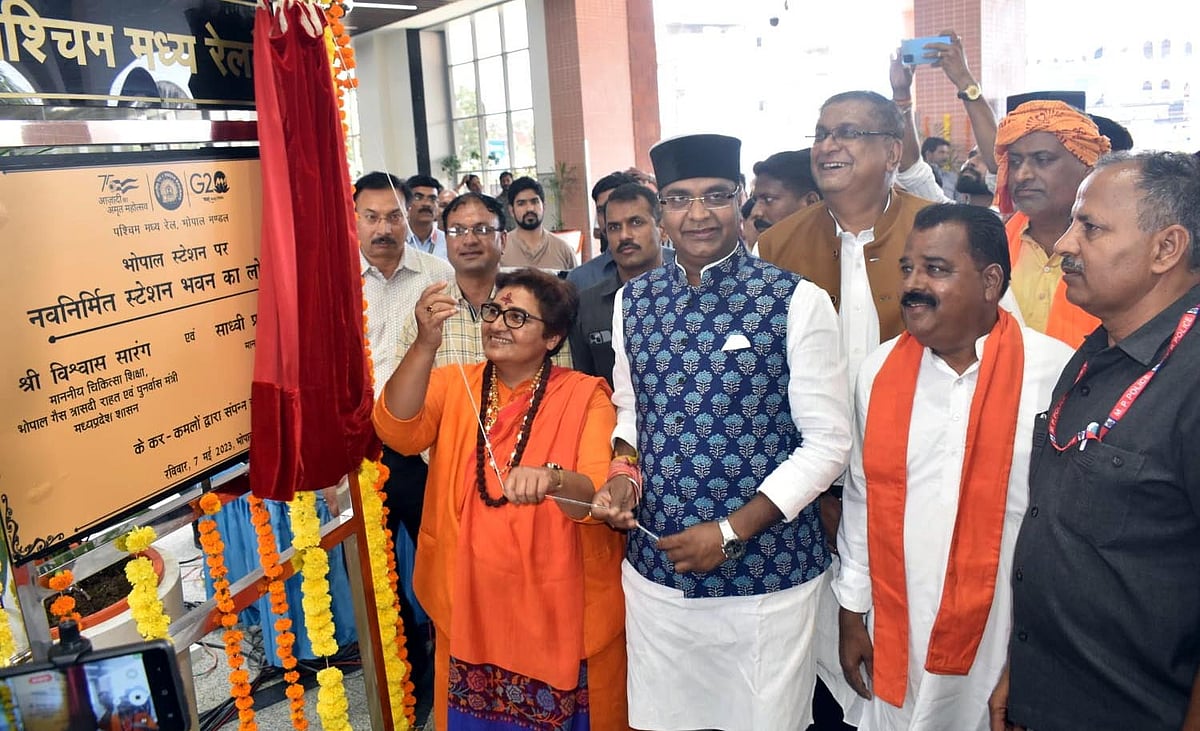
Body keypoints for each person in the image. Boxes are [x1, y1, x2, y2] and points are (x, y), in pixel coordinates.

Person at [593, 133, 852, 730]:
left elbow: (829, 444)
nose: (698, 214)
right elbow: (632, 411)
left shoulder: (795, 300)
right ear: (661, 212)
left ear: (741, 201)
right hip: (659, 571)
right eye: (680, 199)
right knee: (667, 721)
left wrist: (733, 531)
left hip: (768, 576)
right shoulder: (634, 301)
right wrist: (623, 477)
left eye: (715, 196)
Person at [834, 204, 1072, 731]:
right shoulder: (879, 372)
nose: (913, 285)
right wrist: (852, 610)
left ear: (991, 282)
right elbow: (861, 496)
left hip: (1007, 625)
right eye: (907, 268)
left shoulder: (1054, 372)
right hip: (900, 620)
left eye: (936, 269)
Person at [993, 151, 1200, 731]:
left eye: (1091, 228)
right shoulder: (1096, 351)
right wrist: (1021, 671)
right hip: (1048, 693)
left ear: (1166, 248)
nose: (1063, 246)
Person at [375, 268, 628, 731]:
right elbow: (395, 427)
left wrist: (552, 479)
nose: (497, 324)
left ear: (552, 338)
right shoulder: (455, 384)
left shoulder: (585, 395)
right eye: (494, 311)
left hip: (557, 607)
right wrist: (425, 343)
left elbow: (594, 501)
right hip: (469, 597)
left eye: (517, 317)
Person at [354, 170, 451, 690]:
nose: (384, 228)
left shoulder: (437, 274)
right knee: (376, 575)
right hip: (363, 454)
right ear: (354, 221)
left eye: (393, 215)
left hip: (426, 450)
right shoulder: (336, 284)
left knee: (438, 565)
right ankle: (400, 680)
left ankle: (447, 671)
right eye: (370, 217)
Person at [395, 192, 572, 369]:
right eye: (457, 231)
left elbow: (561, 383)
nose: (470, 240)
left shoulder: (538, 304)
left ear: (503, 240)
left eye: (482, 230)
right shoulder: (429, 314)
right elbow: (404, 391)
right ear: (446, 240)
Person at [994, 99, 1111, 347]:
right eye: (1015, 162)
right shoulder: (993, 244)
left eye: (1043, 160)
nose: (1022, 175)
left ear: (1087, 166)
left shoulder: (1120, 248)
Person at [567, 182, 670, 385]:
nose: (624, 235)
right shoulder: (587, 305)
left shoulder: (692, 292)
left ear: (663, 230)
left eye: (636, 223)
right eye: (614, 227)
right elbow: (584, 382)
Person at [567, 171, 640, 291]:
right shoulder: (581, 280)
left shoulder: (677, 265)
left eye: (617, 207)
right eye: (602, 210)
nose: (609, 217)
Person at [500, 176, 577, 271]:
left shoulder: (563, 250)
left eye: (534, 202)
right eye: (521, 203)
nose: (529, 208)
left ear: (544, 206)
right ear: (511, 210)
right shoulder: (499, 249)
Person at [748, 149, 821, 237]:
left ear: (811, 203)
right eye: (755, 200)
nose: (755, 212)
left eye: (768, 199)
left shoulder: (838, 248)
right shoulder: (762, 249)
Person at [405, 174, 448, 260]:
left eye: (432, 199)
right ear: (406, 202)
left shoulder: (448, 241)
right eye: (418, 197)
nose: (427, 204)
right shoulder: (397, 241)